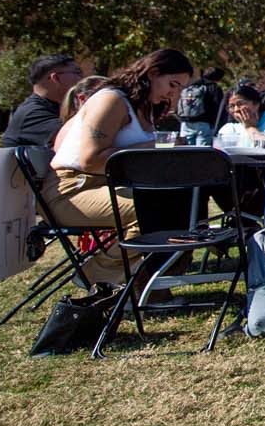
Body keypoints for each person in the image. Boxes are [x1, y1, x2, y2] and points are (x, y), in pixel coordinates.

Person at [48, 49, 195, 286]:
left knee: (183, 204)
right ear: (153, 73)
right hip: (71, 189)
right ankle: (98, 278)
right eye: (173, 84)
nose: (173, 93)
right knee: (154, 213)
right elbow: (90, 159)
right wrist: (154, 147)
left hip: (105, 187)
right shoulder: (112, 99)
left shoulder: (141, 107)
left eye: (179, 88)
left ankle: (149, 281)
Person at [2, 53, 82, 149]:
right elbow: (81, 139)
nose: (82, 78)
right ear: (55, 78)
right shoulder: (32, 113)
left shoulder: (55, 107)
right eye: (77, 73)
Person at [173, 67, 225, 146]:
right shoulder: (214, 88)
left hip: (186, 123)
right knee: (202, 152)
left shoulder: (191, 86)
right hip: (204, 124)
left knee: (187, 150)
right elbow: (218, 107)